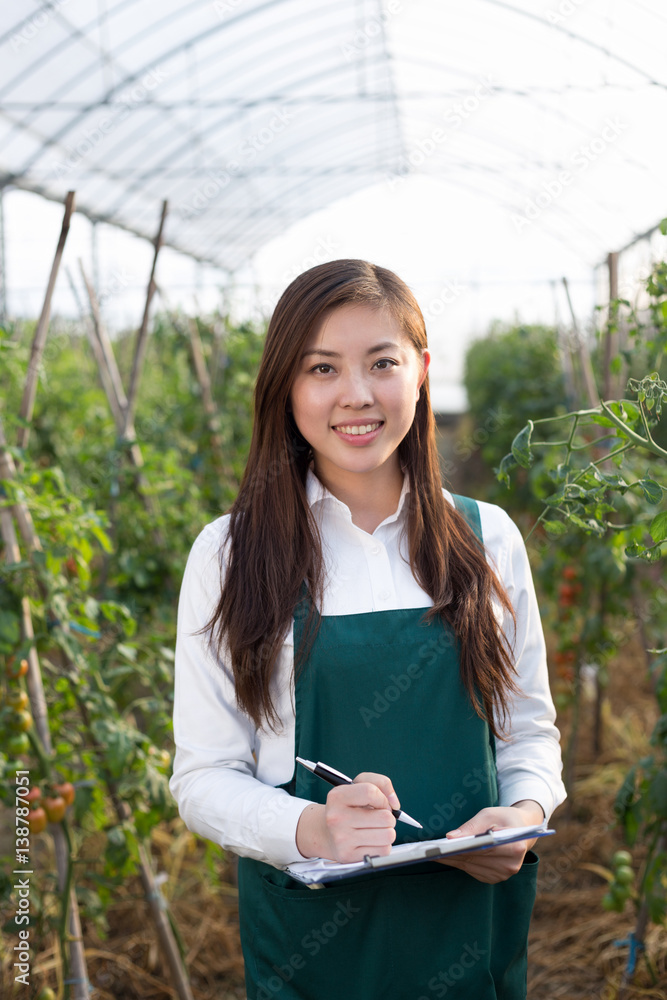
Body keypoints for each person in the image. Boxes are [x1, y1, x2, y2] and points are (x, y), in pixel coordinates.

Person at [169, 259, 566, 1000]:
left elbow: (527, 730)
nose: (356, 395)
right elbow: (202, 777)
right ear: (286, 388)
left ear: (418, 371)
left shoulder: (486, 538)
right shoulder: (229, 554)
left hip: (464, 927)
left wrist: (522, 812)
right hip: (311, 942)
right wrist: (309, 830)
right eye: (322, 368)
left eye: (381, 363)